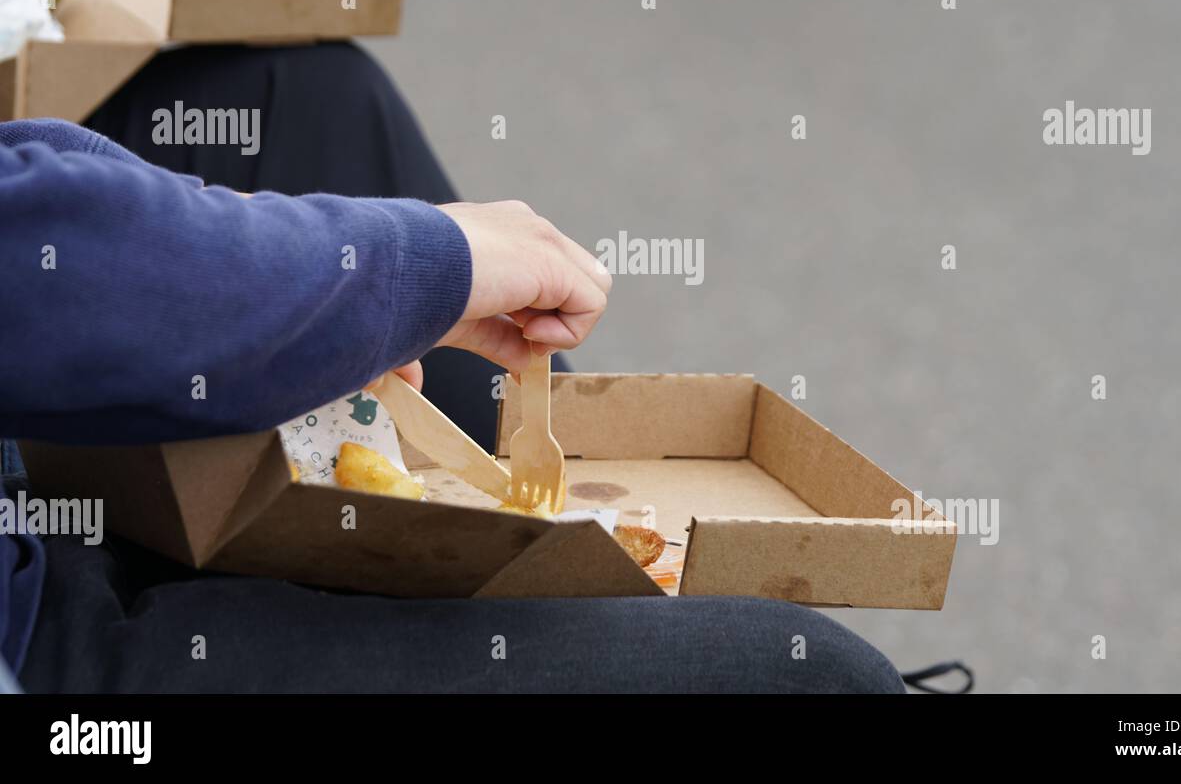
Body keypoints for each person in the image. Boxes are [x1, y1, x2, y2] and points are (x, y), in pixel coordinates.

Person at [0, 42, 904, 693]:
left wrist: (233, 237)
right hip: (38, 636)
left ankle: (595, 592)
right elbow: (34, 269)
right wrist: (419, 260)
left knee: (310, 88)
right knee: (810, 674)